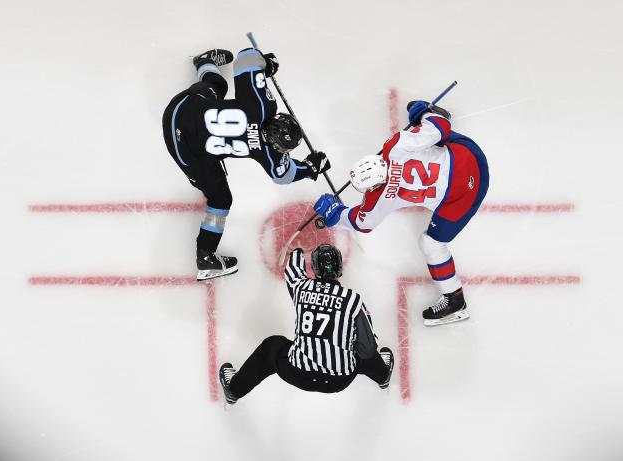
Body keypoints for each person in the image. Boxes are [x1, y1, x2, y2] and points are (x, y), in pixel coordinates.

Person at [313, 101, 489, 326]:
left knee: (431, 244)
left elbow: (361, 222)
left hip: (464, 198)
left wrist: (335, 214)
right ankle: (426, 117)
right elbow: (441, 127)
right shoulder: (395, 146)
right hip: (472, 156)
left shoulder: (380, 198)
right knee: (435, 135)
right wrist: (423, 113)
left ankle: (455, 301)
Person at [162, 48, 330, 280]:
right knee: (220, 198)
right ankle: (206, 257)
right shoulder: (271, 154)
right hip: (185, 153)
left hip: (179, 111)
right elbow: (285, 175)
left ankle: (205, 64)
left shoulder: (262, 107)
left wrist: (265, 66)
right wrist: (311, 168)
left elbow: (246, 57)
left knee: (217, 86)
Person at [218, 244, 394, 404]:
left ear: (314, 268)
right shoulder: (353, 300)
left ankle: (234, 391)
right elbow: (368, 348)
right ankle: (383, 377)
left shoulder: (303, 289)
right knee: (362, 349)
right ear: (340, 267)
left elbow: (292, 271)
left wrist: (298, 251)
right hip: (340, 380)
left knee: (271, 346)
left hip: (298, 373)